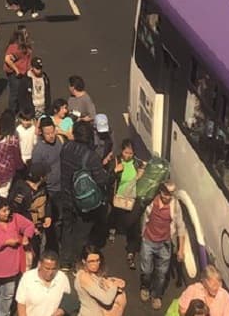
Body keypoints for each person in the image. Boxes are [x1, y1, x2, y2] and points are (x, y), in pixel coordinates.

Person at [59, 122, 111, 269]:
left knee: (67, 227)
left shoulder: (66, 147)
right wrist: (111, 173)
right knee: (81, 233)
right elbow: (101, 180)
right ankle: (77, 262)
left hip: (66, 195)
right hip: (83, 202)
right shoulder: (91, 157)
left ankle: (65, 260)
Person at [0, 195, 35, 316]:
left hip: (11, 269)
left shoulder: (15, 219)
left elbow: (30, 225)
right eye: (4, 211)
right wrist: (6, 242)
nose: (7, 213)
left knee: (7, 296)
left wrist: (26, 236)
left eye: (8, 210)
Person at [138, 182, 186, 312]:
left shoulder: (175, 206)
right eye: (165, 194)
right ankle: (145, 287)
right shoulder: (151, 203)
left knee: (161, 274)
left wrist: (181, 249)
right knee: (146, 270)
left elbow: (181, 227)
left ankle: (156, 296)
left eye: (170, 194)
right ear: (160, 192)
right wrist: (142, 236)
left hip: (164, 244)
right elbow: (144, 218)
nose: (168, 197)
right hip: (148, 241)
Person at [109, 139, 145, 269]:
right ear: (121, 151)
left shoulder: (137, 163)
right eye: (126, 152)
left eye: (131, 153)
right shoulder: (117, 161)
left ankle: (131, 252)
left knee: (133, 225)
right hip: (118, 197)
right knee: (116, 216)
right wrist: (115, 171)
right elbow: (108, 178)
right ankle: (112, 229)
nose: (128, 156)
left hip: (132, 199)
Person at [14, 249, 70, 316]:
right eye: (47, 268)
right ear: (39, 264)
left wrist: (61, 311)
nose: (50, 272)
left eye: (53, 269)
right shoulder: (27, 278)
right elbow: (21, 304)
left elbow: (67, 300)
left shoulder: (62, 278)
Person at [75, 245, 127, 316]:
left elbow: (99, 282)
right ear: (84, 261)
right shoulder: (84, 277)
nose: (95, 264)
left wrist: (112, 280)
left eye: (97, 260)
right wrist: (114, 286)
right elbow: (107, 300)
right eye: (91, 261)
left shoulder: (91, 274)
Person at [0, 111, 24, 199]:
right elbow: (16, 155)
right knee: (4, 192)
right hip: (7, 168)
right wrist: (21, 166)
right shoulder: (12, 139)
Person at [3, 30, 33, 114]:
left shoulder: (26, 46)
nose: (27, 35)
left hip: (24, 73)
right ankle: (11, 113)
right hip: (15, 74)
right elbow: (7, 59)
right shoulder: (15, 47)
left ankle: (19, 111)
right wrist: (16, 70)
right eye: (25, 34)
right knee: (15, 94)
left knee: (22, 92)